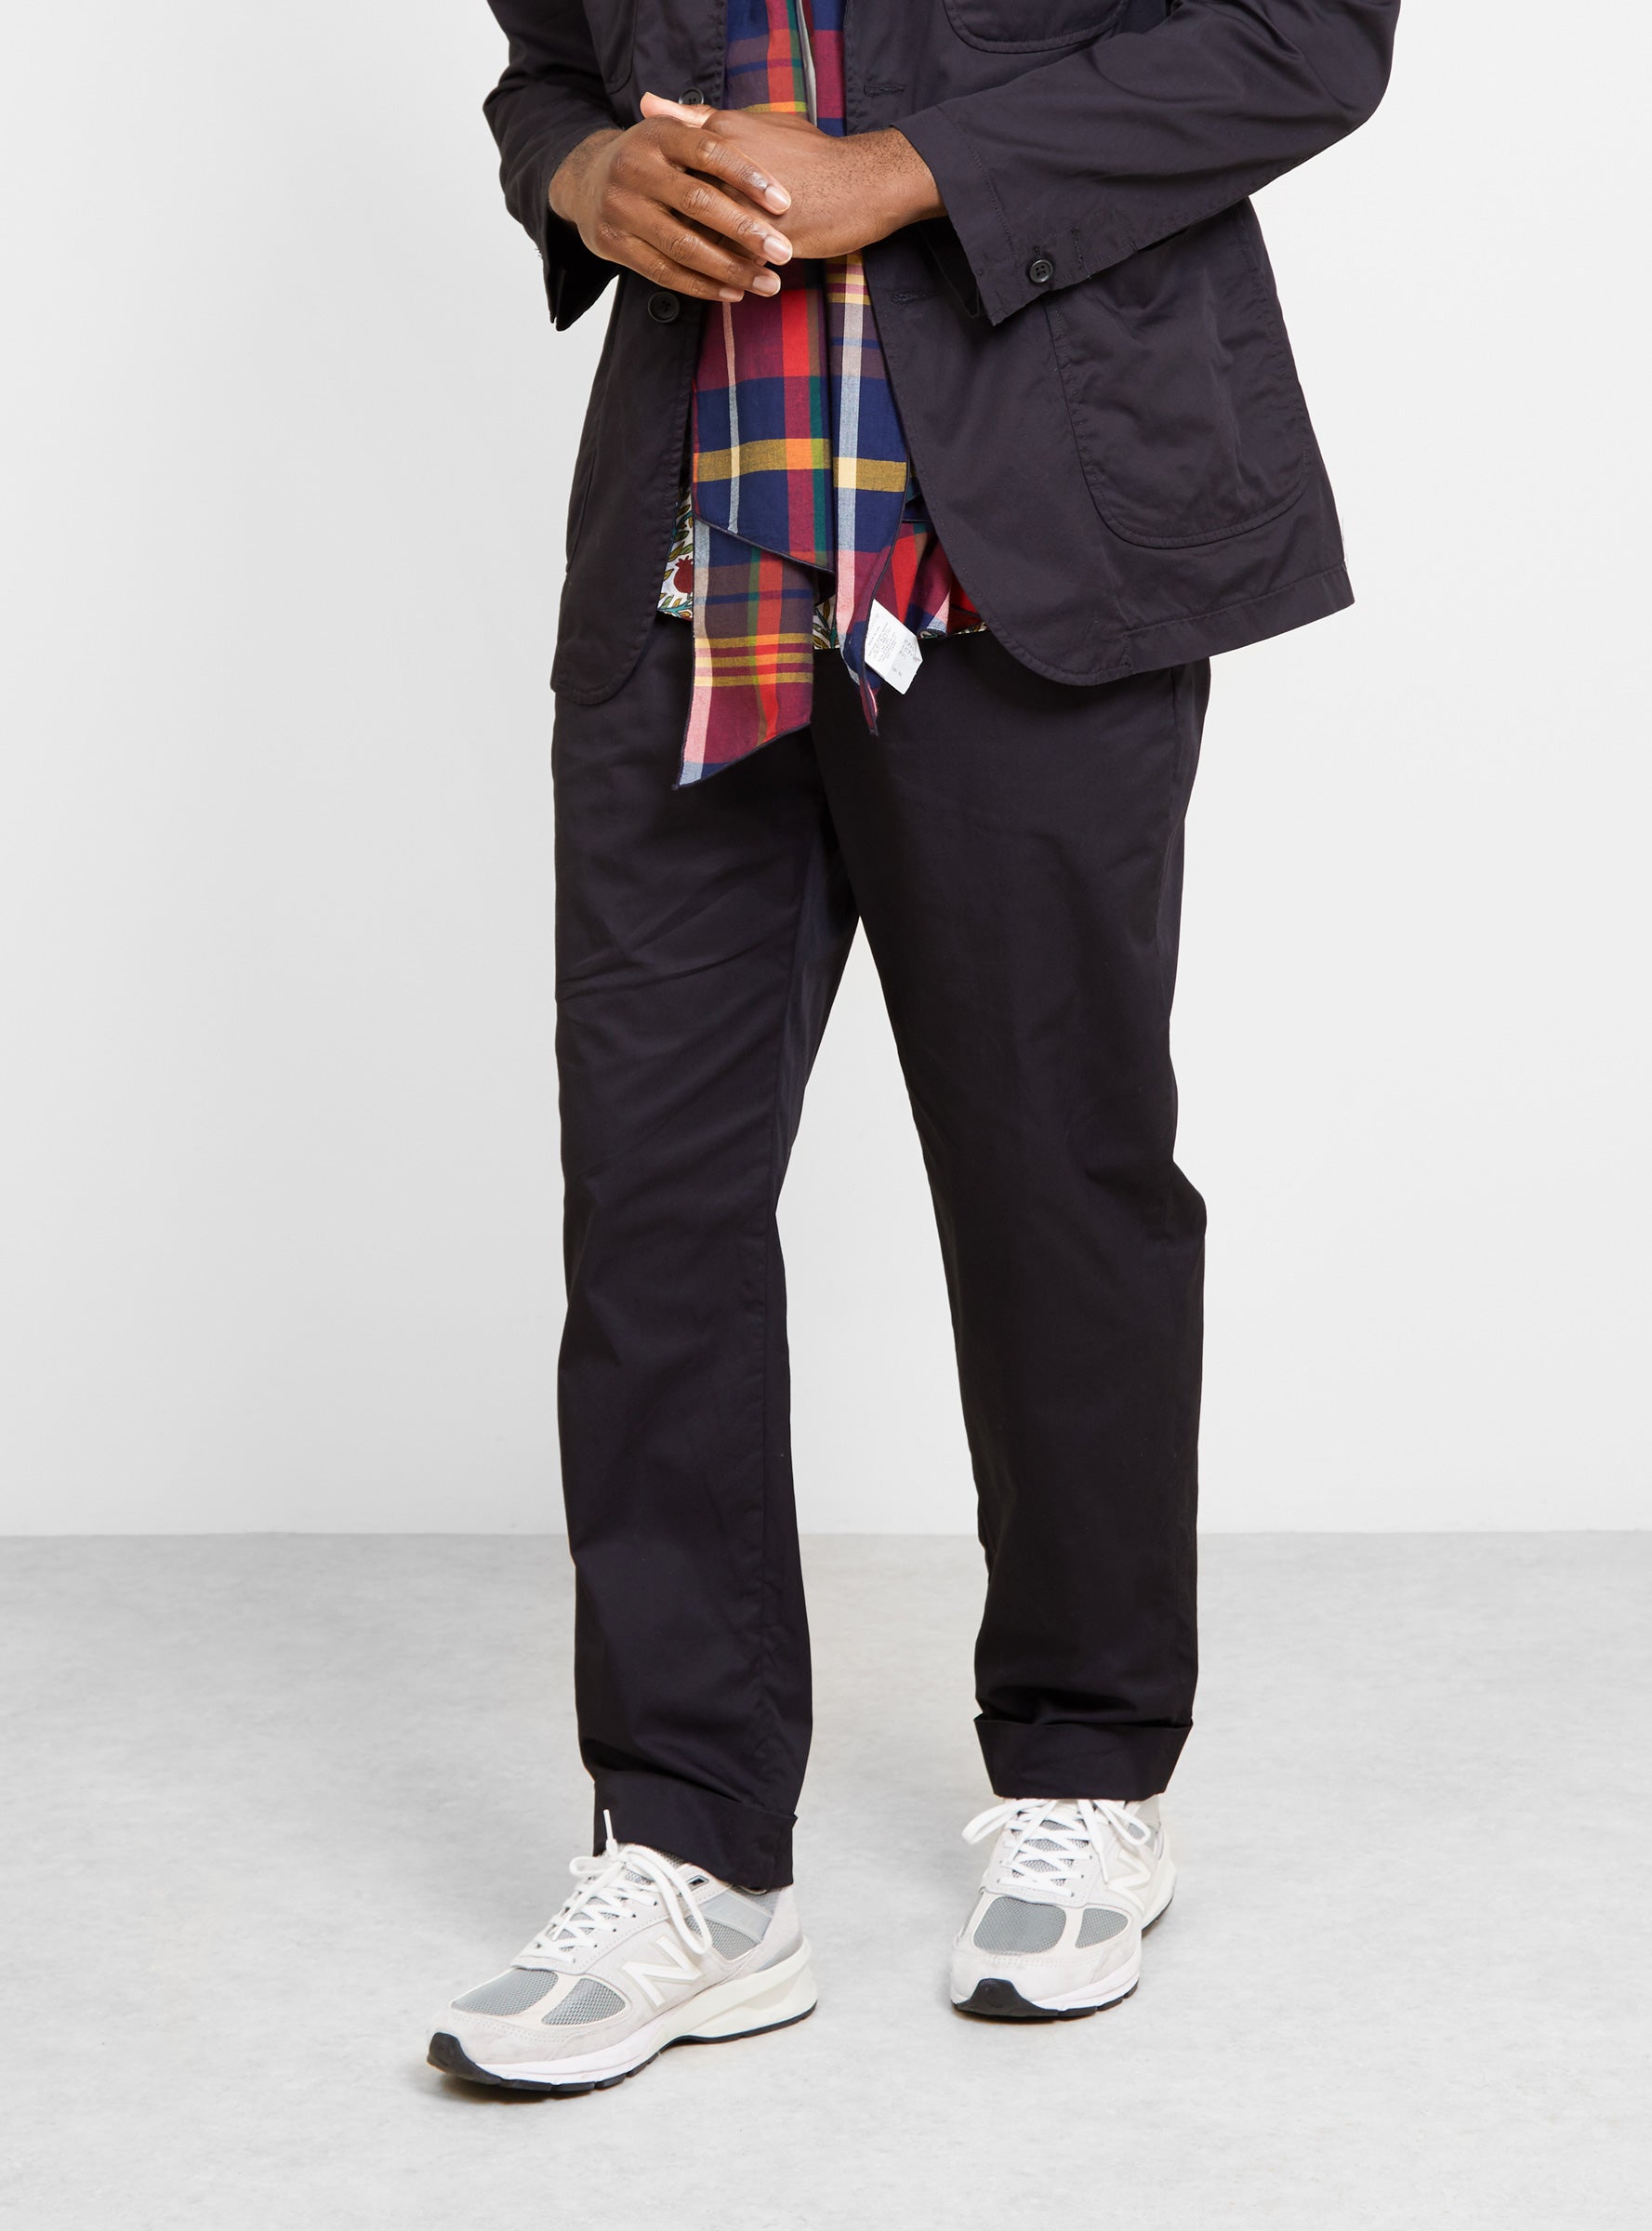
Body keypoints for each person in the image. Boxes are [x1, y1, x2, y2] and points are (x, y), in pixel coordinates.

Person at [428, 0, 1399, 2094]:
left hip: (1025, 555)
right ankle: (688, 1850)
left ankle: (1084, 1769)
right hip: (694, 564)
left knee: (1056, 1174)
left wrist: (905, 169)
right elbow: (544, 73)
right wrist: (585, 174)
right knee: (653, 1212)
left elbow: (1306, 37)